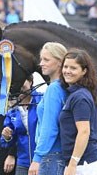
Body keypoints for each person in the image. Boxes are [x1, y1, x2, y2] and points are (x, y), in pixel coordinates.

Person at [59, 48, 97, 175]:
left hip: (85, 165)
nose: (67, 71)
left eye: (73, 68)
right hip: (79, 163)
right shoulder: (75, 94)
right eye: (65, 67)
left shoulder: (80, 97)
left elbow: (84, 132)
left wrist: (73, 164)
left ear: (84, 71)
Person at [28, 42, 68, 175]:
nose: (41, 63)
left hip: (51, 155)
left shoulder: (54, 89)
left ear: (59, 62)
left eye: (46, 59)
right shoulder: (60, 86)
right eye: (41, 59)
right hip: (56, 154)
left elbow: (50, 127)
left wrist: (37, 158)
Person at [0, 75, 42, 175]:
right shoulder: (13, 109)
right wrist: (6, 137)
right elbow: (7, 142)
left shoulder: (42, 100)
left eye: (21, 81)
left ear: (30, 81)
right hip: (23, 163)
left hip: (42, 160)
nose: (18, 86)